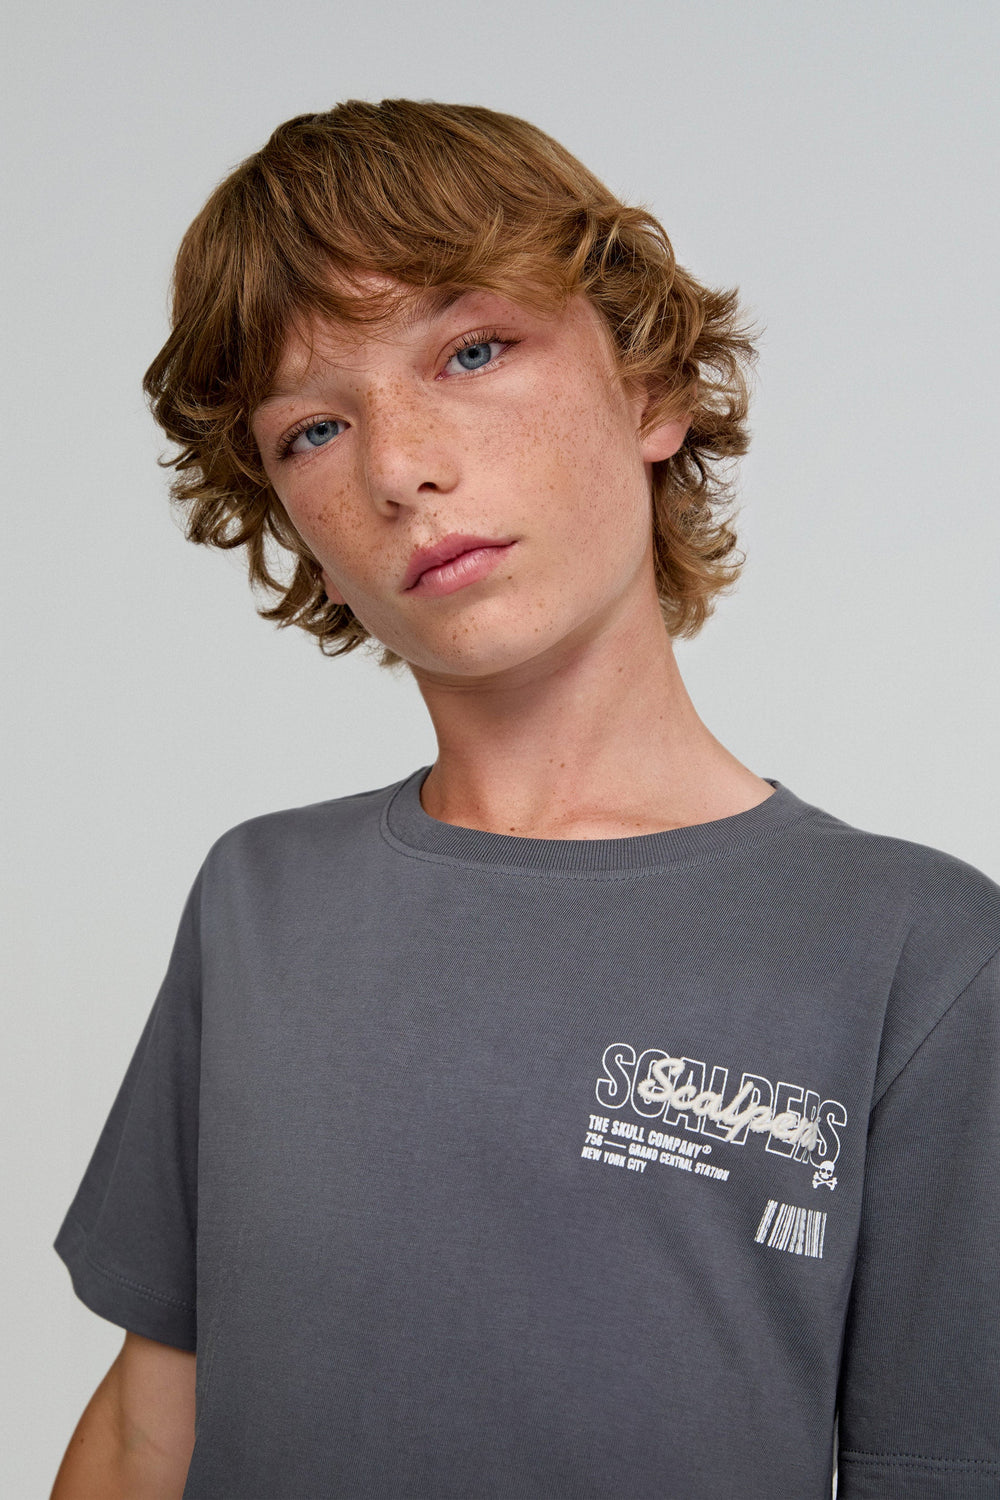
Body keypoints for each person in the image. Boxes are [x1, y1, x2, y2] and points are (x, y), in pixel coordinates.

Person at [50, 99, 999, 1500]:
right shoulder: (260, 902)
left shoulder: (920, 952)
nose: (398, 466)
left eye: (474, 351)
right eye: (314, 429)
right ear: (294, 528)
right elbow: (150, 1428)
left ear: (651, 390)